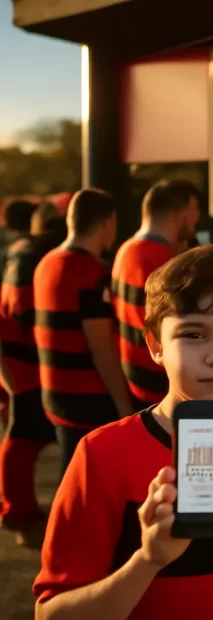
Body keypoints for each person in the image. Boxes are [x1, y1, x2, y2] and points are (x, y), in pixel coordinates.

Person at [33, 245, 213, 620]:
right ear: (155, 345)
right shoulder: (103, 454)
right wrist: (148, 559)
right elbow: (51, 615)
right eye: (194, 334)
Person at [33, 188, 132, 477]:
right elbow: (102, 348)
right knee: (90, 479)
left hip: (54, 391)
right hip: (89, 398)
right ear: (107, 223)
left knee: (69, 474)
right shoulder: (92, 273)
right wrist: (125, 406)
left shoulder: (46, 263)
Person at [0, 203, 67, 547]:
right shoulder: (45, 254)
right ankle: (19, 513)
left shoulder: (18, 252)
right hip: (28, 359)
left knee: (21, 435)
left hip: (12, 356)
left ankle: (19, 511)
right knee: (24, 436)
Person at [112, 179, 201, 411]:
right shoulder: (167, 262)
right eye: (195, 210)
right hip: (164, 384)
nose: (198, 218)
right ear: (179, 214)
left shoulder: (125, 250)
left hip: (134, 377)